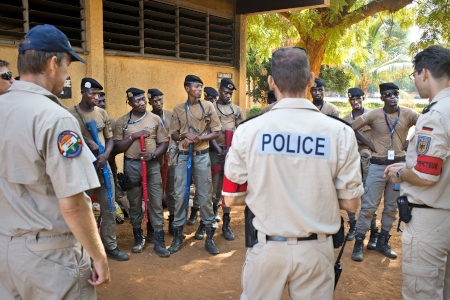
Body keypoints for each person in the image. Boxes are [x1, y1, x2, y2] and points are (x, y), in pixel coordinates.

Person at [223, 46, 363, 299]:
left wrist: (268, 190)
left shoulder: (248, 131)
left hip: (266, 249)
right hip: (316, 250)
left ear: (271, 81)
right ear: (310, 79)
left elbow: (231, 198)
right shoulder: (340, 132)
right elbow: (352, 203)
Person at [0, 24, 110, 299]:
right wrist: (98, 255)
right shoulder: (55, 118)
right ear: (52, 63)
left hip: (6, 251)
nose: (67, 74)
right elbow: (73, 204)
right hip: (51, 256)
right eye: (68, 65)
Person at [384, 45, 450, 300]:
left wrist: (399, 174)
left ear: (424, 73)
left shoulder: (435, 115)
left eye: (414, 75)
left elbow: (425, 175)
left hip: (430, 221)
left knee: (422, 293)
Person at [350, 82, 419, 262]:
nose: (392, 97)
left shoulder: (408, 114)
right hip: (377, 166)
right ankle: (359, 243)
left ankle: (383, 241)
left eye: (395, 93)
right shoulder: (373, 115)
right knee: (368, 206)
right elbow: (352, 127)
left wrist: (409, 142)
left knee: (391, 207)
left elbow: (426, 124)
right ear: (381, 97)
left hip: (398, 168)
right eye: (388, 94)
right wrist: (370, 144)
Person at [68, 78, 128, 261]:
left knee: (109, 208)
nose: (96, 97)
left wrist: (105, 155)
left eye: (98, 94)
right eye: (92, 93)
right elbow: (69, 141)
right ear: (82, 92)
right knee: (82, 211)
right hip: (83, 170)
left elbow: (109, 139)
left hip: (103, 168)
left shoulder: (102, 113)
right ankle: (84, 251)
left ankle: (110, 245)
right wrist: (86, 142)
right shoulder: (71, 115)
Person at [169, 74, 222, 255]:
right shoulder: (178, 109)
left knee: (205, 194)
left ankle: (209, 237)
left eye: (201, 86)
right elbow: (174, 135)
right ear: (187, 88)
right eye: (196, 86)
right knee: (179, 194)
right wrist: (186, 136)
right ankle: (178, 235)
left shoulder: (208, 106)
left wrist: (198, 138)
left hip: (201, 155)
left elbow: (216, 132)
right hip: (183, 155)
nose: (200, 89)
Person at [113, 88, 169, 257]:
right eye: (137, 101)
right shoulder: (122, 122)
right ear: (129, 102)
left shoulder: (155, 119)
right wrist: (133, 136)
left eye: (143, 99)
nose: (142, 103)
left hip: (151, 165)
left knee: (155, 201)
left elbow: (164, 143)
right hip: (132, 166)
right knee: (134, 201)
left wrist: (152, 154)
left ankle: (158, 238)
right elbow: (116, 147)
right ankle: (138, 237)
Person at [206, 77, 243, 241]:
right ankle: (213, 218)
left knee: (228, 187)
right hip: (214, 152)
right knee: (214, 186)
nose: (228, 95)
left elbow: (241, 131)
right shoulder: (210, 107)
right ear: (219, 90)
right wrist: (218, 150)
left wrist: (229, 150)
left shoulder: (236, 110)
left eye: (230, 93)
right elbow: (207, 130)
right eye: (225, 92)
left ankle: (226, 223)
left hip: (231, 152)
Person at [342, 87, 376, 241]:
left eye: (358, 99)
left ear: (363, 99)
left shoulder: (372, 116)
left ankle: (373, 228)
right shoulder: (345, 120)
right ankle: (353, 225)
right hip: (351, 161)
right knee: (350, 191)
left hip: (367, 160)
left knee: (368, 194)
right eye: (352, 99)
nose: (355, 102)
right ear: (349, 100)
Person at [148, 88, 175, 237]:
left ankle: (172, 221)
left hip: (171, 159)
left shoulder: (170, 115)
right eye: (155, 101)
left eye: (161, 100)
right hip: (155, 159)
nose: (159, 103)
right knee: (155, 193)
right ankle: (153, 225)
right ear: (150, 101)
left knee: (171, 191)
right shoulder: (148, 117)